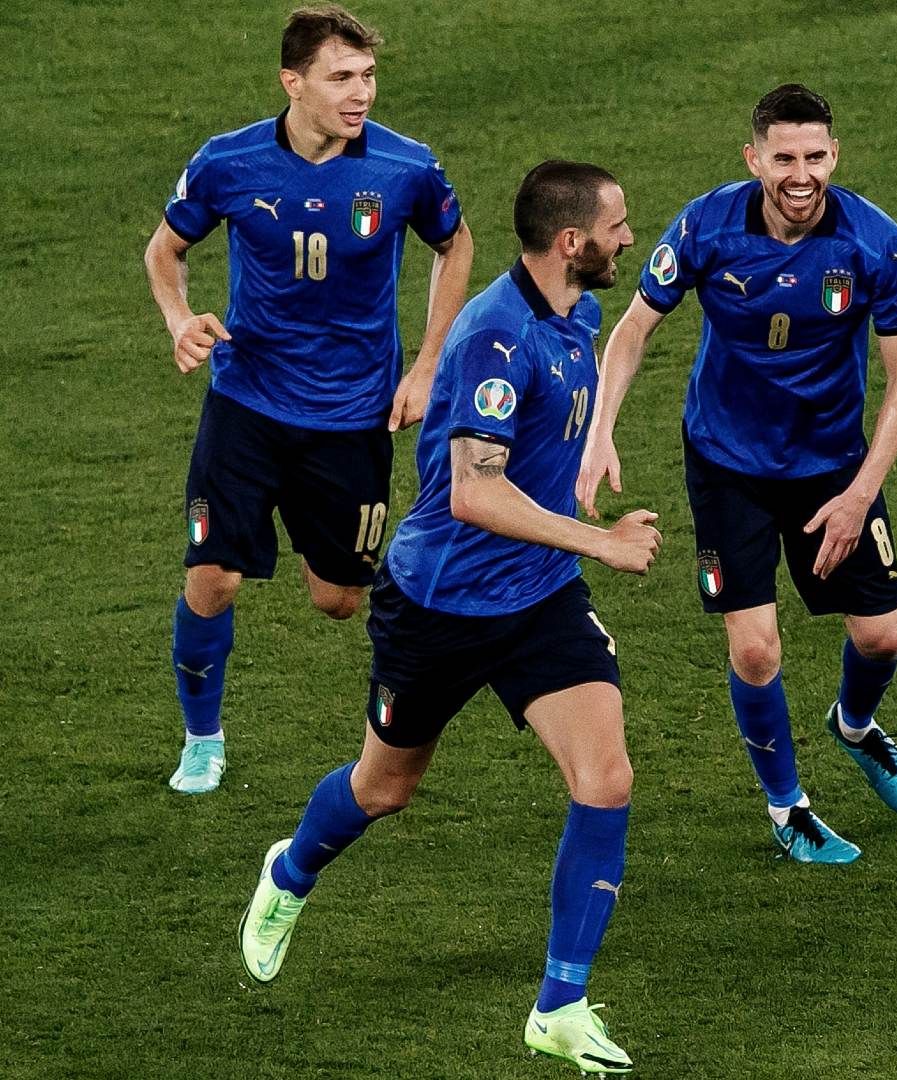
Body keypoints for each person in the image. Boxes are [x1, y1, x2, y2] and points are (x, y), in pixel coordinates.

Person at [238, 160, 658, 1075]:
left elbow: (546, 437)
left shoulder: (576, 317)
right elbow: (473, 495)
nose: (631, 237)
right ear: (572, 242)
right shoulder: (493, 338)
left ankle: (560, 1004)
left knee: (607, 776)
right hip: (439, 606)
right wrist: (600, 542)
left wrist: (593, 448)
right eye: (619, 226)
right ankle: (290, 874)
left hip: (539, 599)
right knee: (384, 788)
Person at [577, 84, 897, 864]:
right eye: (784, 158)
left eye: (814, 157)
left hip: (833, 468)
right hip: (727, 462)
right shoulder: (708, 224)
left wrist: (858, 495)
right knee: (756, 651)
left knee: (880, 636)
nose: (800, 175)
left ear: (834, 155)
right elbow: (633, 329)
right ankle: (789, 810)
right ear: (754, 159)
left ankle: (856, 726)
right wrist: (599, 432)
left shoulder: (873, 241)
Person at [143, 3, 474, 794]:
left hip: (353, 416)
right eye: (341, 78)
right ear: (292, 82)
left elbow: (454, 243)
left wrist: (429, 363)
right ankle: (202, 738)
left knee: (337, 600)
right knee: (212, 578)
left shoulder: (406, 168)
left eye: (367, 77)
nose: (360, 94)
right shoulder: (228, 163)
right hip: (247, 403)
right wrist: (180, 319)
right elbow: (167, 249)